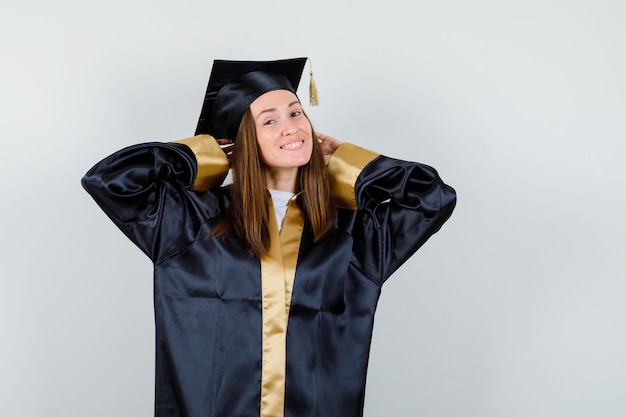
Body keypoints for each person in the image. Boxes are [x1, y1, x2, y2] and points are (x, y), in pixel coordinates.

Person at [82, 57, 457, 417]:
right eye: (269, 120)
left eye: (296, 113)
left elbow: (433, 198)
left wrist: (346, 158)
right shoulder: (189, 220)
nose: (291, 127)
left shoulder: (355, 231)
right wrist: (207, 155)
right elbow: (108, 180)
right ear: (244, 140)